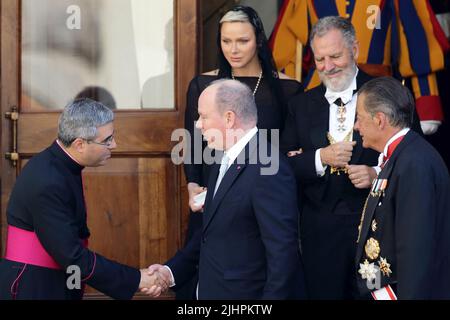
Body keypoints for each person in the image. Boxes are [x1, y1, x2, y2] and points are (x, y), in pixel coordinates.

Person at [181, 5, 303, 299]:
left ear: (259, 40)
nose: (233, 49)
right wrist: (193, 183)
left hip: (261, 193)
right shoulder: (202, 84)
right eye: (226, 41)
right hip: (213, 189)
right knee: (207, 265)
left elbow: (288, 152)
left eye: (242, 41)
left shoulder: (287, 89)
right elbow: (192, 140)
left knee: (262, 264)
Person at [144, 79, 306, 299]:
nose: (198, 124)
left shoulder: (268, 168)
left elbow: (282, 254)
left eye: (203, 116)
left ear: (229, 118)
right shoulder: (223, 157)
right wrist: (170, 272)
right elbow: (210, 234)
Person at [0, 98, 166, 299]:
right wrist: (136, 279)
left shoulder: (61, 164)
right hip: (34, 285)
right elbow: (72, 256)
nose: (114, 145)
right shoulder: (47, 180)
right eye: (107, 140)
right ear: (79, 144)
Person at [354, 76, 450, 300]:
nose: (357, 126)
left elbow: (415, 250)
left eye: (359, 118)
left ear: (379, 120)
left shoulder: (414, 163)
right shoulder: (401, 156)